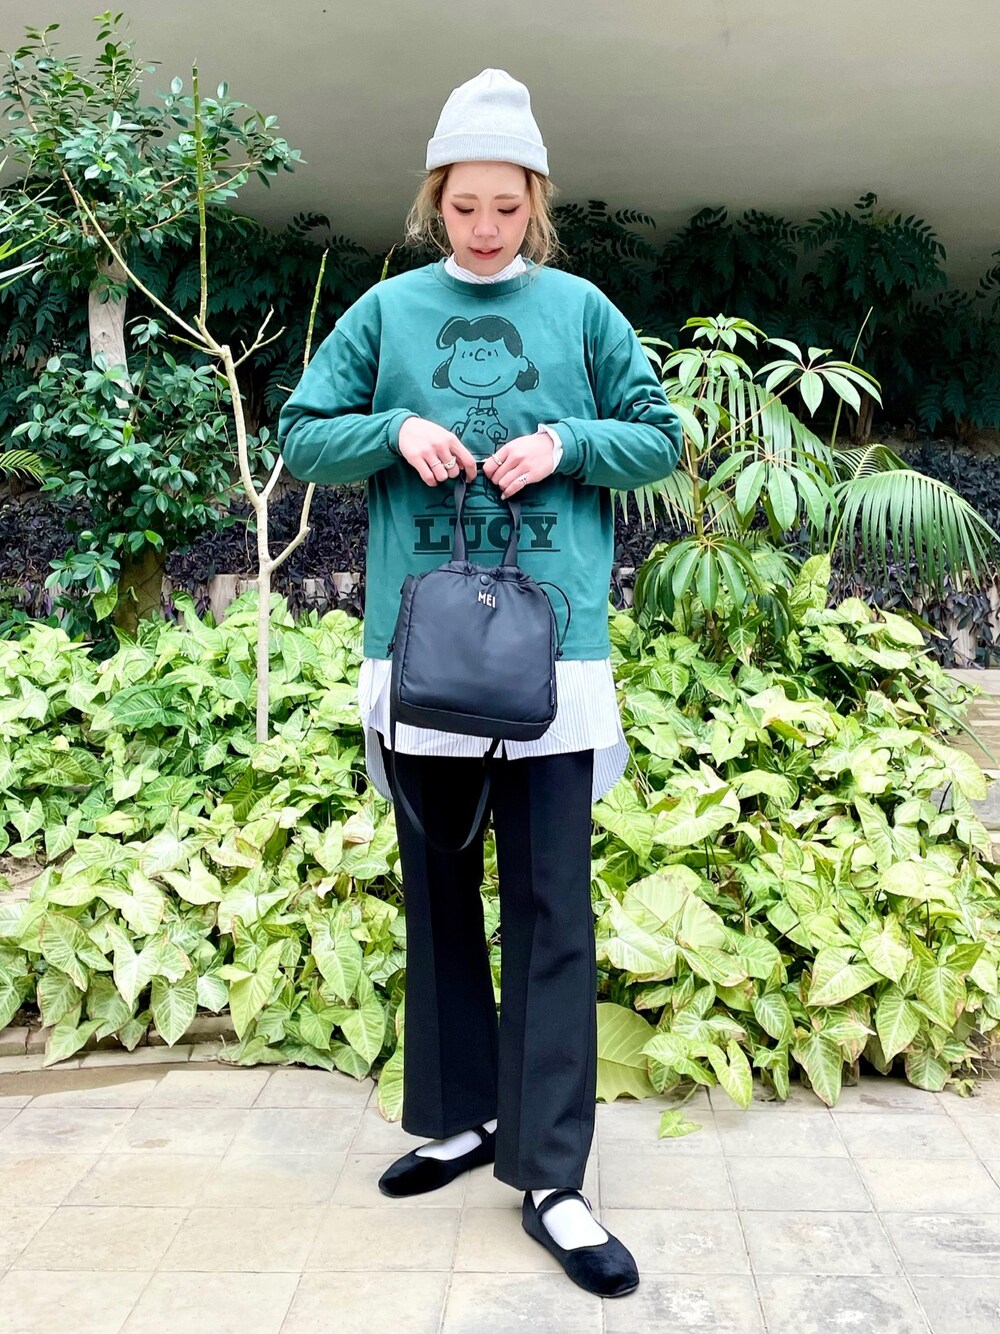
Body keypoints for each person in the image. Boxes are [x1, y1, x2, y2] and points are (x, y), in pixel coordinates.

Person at [278, 68, 683, 1299]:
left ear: (537, 202)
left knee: (552, 907)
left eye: (508, 207)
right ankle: (463, 1116)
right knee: (440, 892)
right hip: (424, 650)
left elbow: (658, 437)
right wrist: (393, 429)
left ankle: (552, 1176)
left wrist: (564, 443)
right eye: (465, 206)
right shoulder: (389, 311)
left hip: (553, 655)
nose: (487, 227)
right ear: (434, 201)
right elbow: (302, 430)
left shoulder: (581, 310)